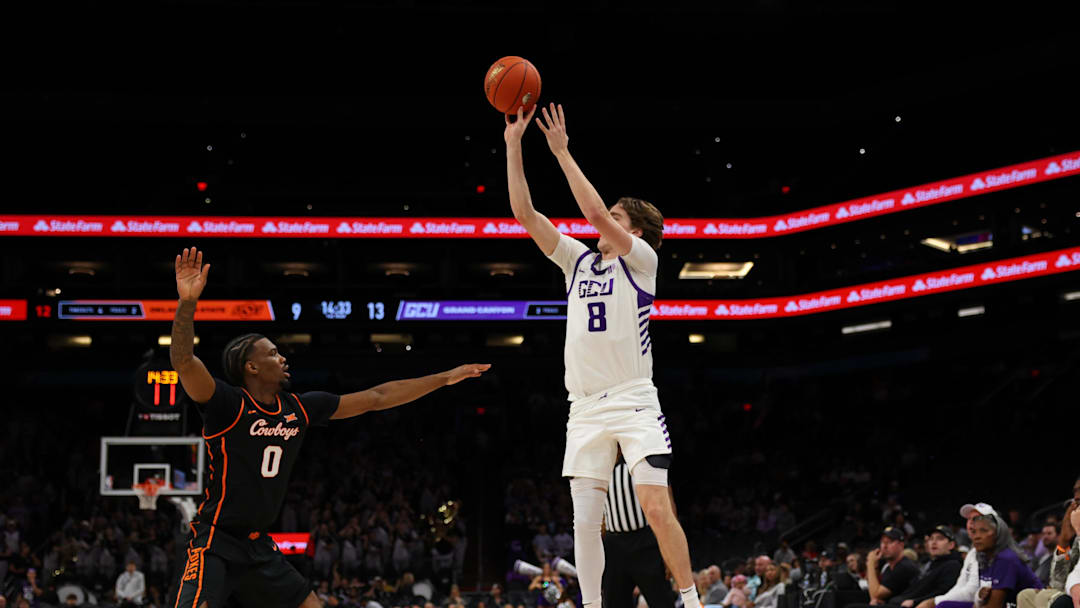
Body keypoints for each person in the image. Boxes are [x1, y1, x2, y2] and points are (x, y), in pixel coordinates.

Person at [166, 247, 490, 608]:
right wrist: (187, 302)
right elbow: (184, 361)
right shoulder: (227, 404)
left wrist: (445, 378)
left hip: (258, 546)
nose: (282, 357)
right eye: (272, 353)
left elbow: (378, 396)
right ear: (251, 367)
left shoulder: (300, 408)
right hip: (216, 541)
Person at [503, 102, 697, 608]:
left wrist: (562, 153)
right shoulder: (578, 261)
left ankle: (693, 600)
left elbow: (590, 212)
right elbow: (525, 214)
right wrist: (513, 145)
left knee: (656, 506)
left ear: (635, 232)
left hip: (633, 399)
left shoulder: (643, 261)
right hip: (584, 406)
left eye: (615, 217)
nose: (601, 222)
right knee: (585, 523)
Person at [601, 453, 675, 608]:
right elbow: (600, 516)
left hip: (645, 542)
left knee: (662, 602)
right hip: (613, 546)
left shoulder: (648, 462)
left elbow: (668, 508)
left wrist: (671, 552)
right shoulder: (599, 470)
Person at [936, 512, 1042, 608]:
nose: (976, 537)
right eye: (974, 532)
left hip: (1031, 605)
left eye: (983, 531)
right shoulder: (985, 557)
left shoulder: (1006, 558)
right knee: (944, 605)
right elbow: (981, 600)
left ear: (998, 533)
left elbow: (994, 605)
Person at [916, 503, 998, 608]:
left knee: (942, 605)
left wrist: (933, 602)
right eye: (969, 519)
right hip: (977, 602)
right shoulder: (972, 553)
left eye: (976, 519)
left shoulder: (998, 552)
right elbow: (960, 585)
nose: (971, 523)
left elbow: (972, 591)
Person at [1020, 488, 1080, 608]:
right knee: (1025, 595)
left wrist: (1079, 531)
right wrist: (1063, 541)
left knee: (1047, 597)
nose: (1074, 509)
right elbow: (1058, 582)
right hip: (1069, 590)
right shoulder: (1075, 540)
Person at [843, 527, 920, 608]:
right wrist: (875, 566)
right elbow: (874, 593)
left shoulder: (904, 566)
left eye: (889, 542)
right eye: (882, 542)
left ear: (901, 545)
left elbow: (875, 594)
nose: (884, 546)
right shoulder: (888, 568)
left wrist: (870, 563)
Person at [887, 526, 963, 608]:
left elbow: (943, 593)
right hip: (899, 602)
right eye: (931, 539)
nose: (934, 542)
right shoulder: (930, 564)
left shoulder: (953, 565)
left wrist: (915, 601)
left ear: (951, 545)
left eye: (940, 539)